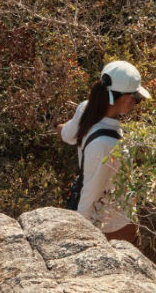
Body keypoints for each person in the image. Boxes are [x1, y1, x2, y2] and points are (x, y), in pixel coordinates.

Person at [57, 60, 150, 244]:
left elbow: (68, 135)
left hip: (105, 222)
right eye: (136, 100)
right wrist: (79, 236)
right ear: (124, 99)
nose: (135, 104)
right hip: (112, 226)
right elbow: (89, 194)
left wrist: (57, 127)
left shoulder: (85, 108)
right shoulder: (105, 144)